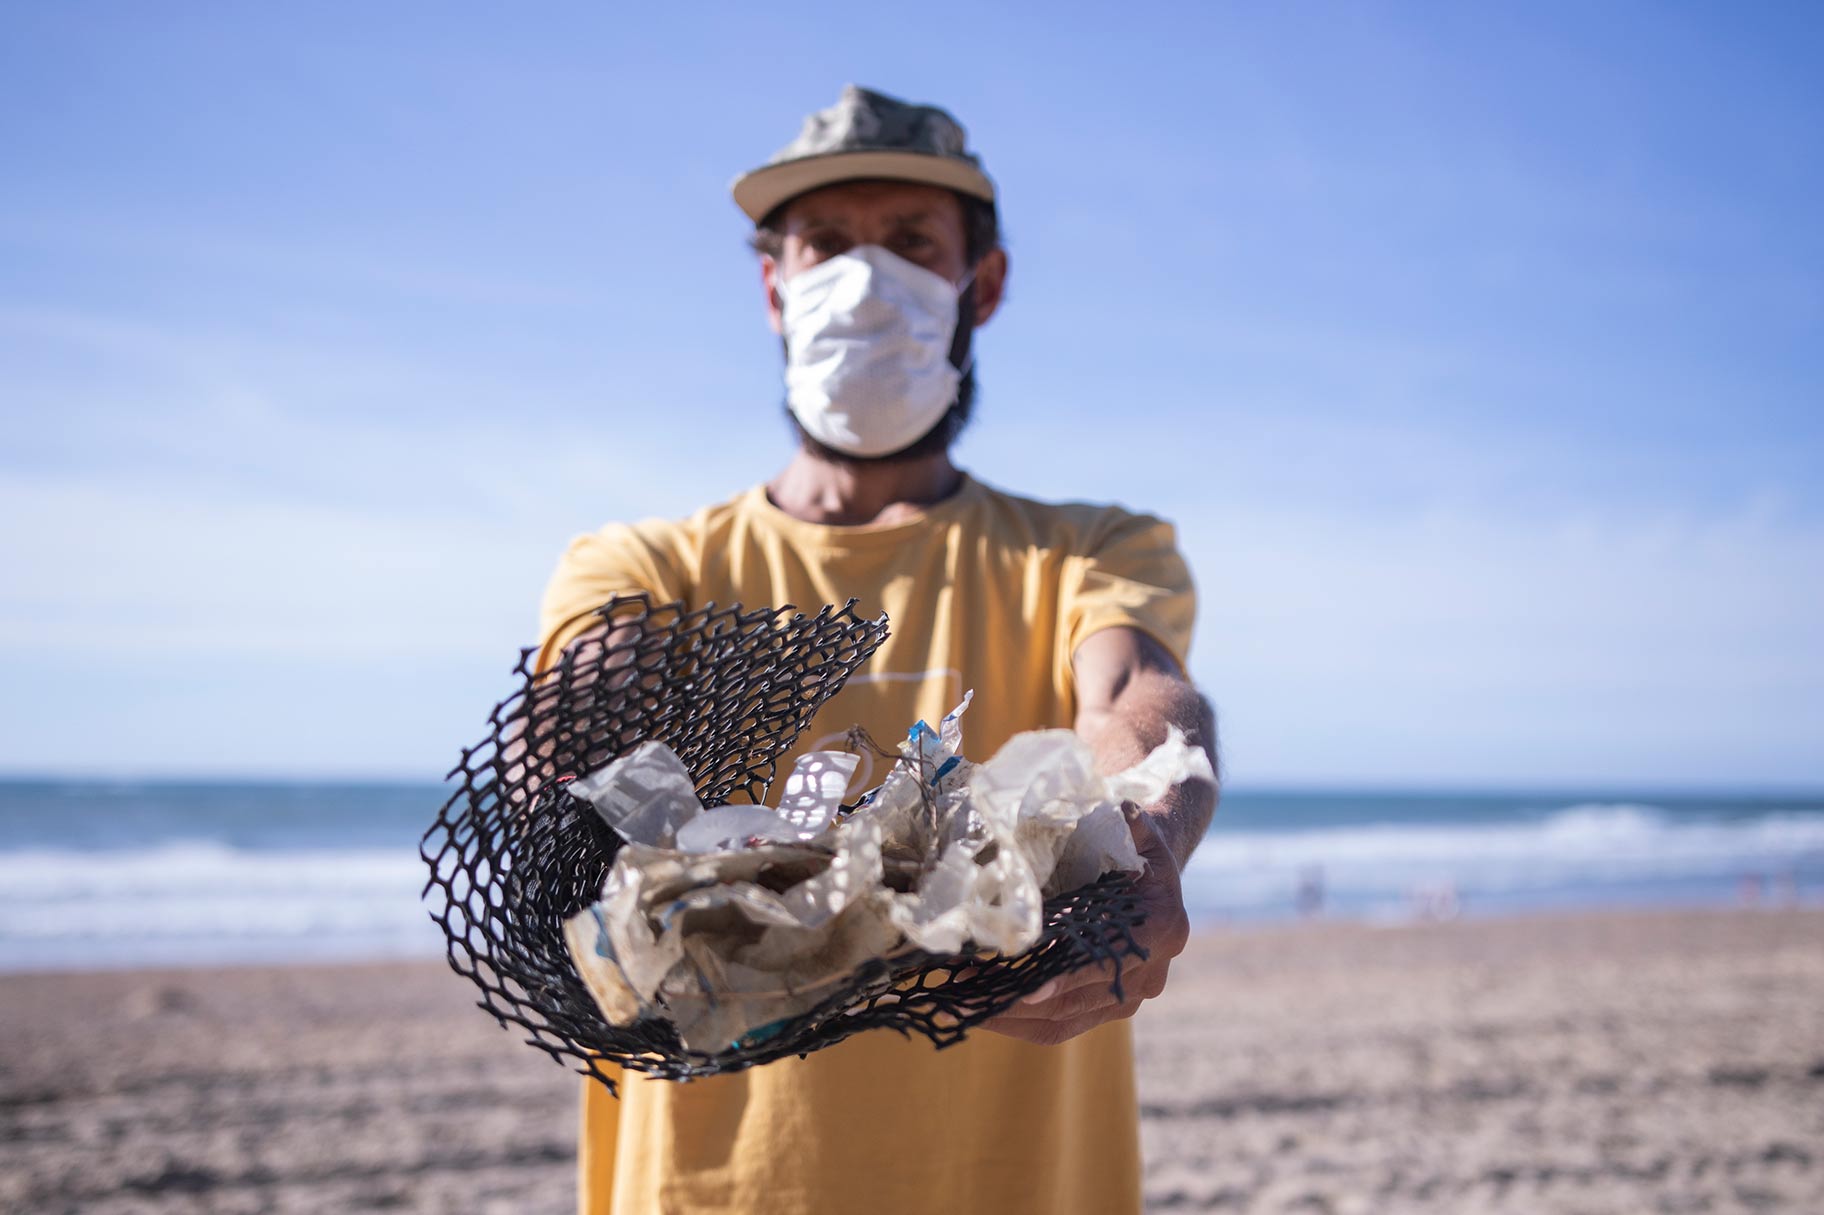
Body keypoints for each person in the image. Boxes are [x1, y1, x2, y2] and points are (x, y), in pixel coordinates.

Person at [536, 84, 1218, 1215]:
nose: (864, 277)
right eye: (825, 243)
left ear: (979, 284)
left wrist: (1146, 826)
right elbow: (583, 715)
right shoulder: (644, 567)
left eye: (911, 242)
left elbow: (1139, 692)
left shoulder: (1084, 550)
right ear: (773, 285)